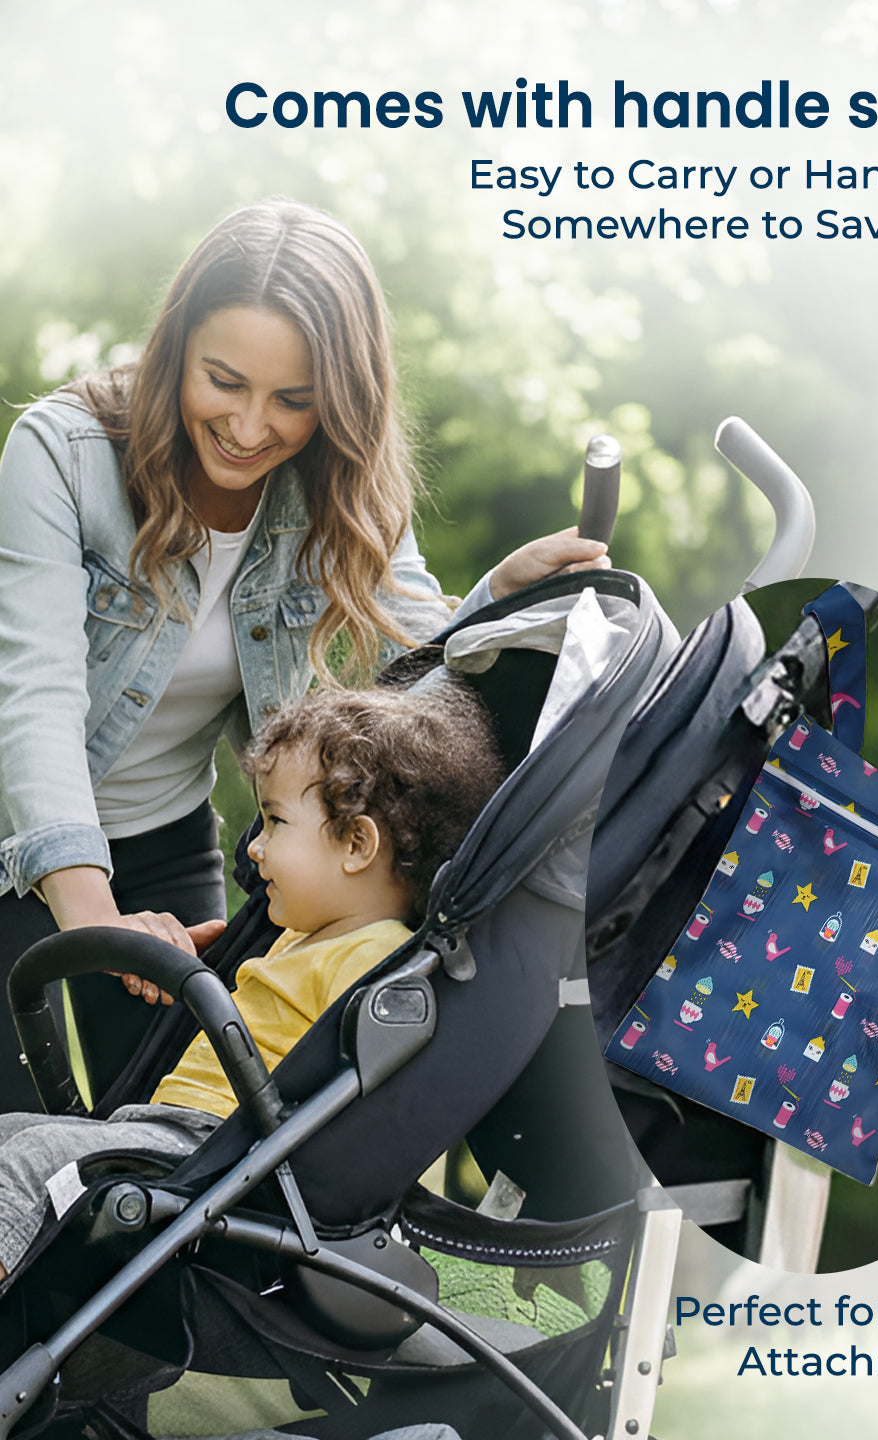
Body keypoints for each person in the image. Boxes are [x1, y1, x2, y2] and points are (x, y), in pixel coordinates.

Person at [0, 198, 606, 1109]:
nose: (250, 427)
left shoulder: (340, 490)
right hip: (18, 838)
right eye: (224, 380)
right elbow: (36, 697)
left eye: (293, 400)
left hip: (162, 844)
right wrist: (95, 925)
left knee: (185, 1143)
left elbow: (402, 684)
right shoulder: (63, 455)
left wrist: (495, 600)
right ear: (175, 353)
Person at [0, 677, 504, 1285]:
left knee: (28, 1165)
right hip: (163, 1129)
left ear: (357, 843)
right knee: (12, 1135)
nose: (255, 848)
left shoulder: (377, 960)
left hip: (217, 1151)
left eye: (274, 822)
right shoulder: (299, 934)